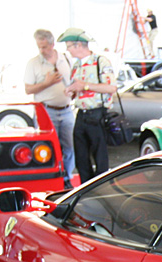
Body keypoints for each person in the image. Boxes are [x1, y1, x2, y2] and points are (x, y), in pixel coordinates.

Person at [58, 27, 117, 182]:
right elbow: (78, 87)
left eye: (69, 46)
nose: (68, 50)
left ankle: (101, 188)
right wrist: (72, 91)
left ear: (78, 45)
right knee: (81, 157)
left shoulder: (100, 61)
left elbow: (111, 87)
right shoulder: (76, 65)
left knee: (100, 157)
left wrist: (84, 86)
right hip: (81, 114)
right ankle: (86, 187)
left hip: (97, 114)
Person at [25, 29, 75, 188]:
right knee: (47, 148)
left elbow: (73, 80)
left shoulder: (66, 59)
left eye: (45, 47)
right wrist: (47, 83)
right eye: (39, 47)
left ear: (53, 45)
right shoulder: (33, 63)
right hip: (46, 111)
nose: (42, 51)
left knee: (69, 147)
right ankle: (48, 179)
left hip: (66, 109)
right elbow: (28, 89)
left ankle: (66, 179)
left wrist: (73, 91)